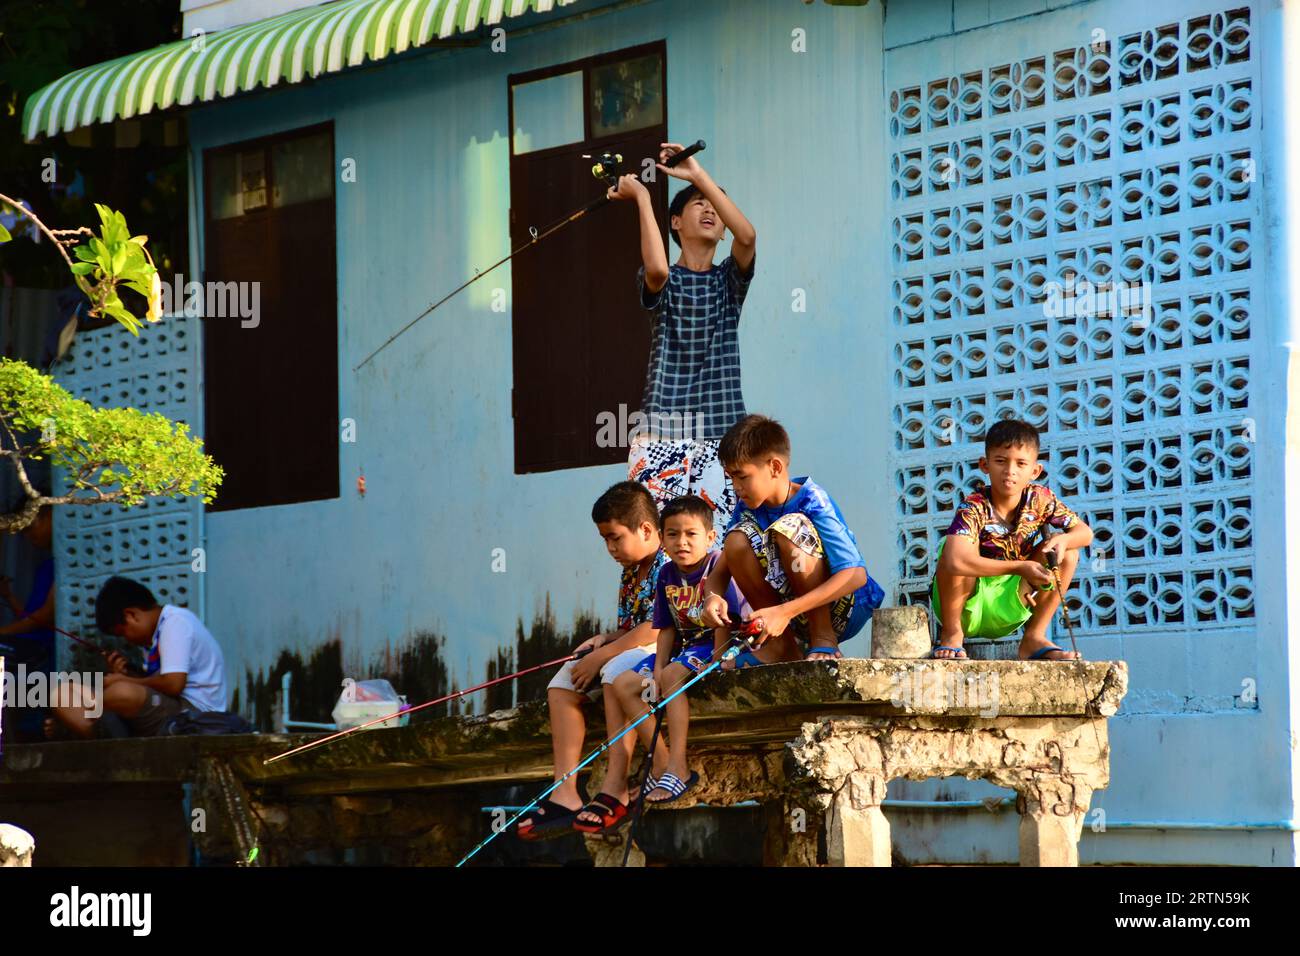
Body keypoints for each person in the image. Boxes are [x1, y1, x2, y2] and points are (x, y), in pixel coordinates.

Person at [608, 143, 757, 540]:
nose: (710, 209)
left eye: (716, 206)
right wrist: (642, 196)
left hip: (724, 433)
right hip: (662, 432)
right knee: (664, 545)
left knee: (723, 542)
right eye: (697, 204)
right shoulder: (664, 281)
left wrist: (697, 176)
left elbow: (748, 234)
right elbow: (657, 267)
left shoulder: (728, 281)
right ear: (674, 222)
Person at [517, 482, 669, 840]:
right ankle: (565, 792)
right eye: (604, 540)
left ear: (646, 529)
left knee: (614, 670)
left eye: (615, 537)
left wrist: (603, 655)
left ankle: (614, 785)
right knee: (562, 683)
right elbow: (631, 627)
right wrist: (604, 640)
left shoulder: (667, 563)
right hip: (633, 645)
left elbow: (656, 627)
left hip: (664, 650)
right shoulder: (631, 569)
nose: (610, 548)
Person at [605, 495, 757, 809]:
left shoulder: (717, 565)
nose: (681, 542)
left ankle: (679, 766)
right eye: (672, 534)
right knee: (624, 685)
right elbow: (666, 628)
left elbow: (726, 619)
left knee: (674, 674)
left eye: (691, 534)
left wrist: (718, 659)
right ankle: (660, 763)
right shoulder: (667, 575)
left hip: (720, 644)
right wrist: (657, 669)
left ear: (710, 538)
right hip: (683, 648)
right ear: (662, 538)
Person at [701, 415, 884, 660]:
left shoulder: (812, 500)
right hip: (788, 614)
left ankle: (824, 638)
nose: (736, 486)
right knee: (736, 540)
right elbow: (719, 574)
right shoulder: (746, 508)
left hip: (845, 607)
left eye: (742, 476)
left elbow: (855, 575)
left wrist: (784, 612)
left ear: (775, 467)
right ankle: (781, 645)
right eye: (731, 477)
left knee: (790, 528)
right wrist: (711, 599)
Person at [930, 419, 1094, 661]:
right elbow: (955, 563)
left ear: (1035, 471)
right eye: (1000, 461)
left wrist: (1062, 541)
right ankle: (952, 635)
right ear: (984, 465)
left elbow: (1085, 534)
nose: (1010, 471)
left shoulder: (1040, 499)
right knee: (953, 548)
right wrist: (1019, 566)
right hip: (965, 606)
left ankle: (1034, 637)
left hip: (1011, 603)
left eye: (1021, 463)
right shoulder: (974, 505)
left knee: (1068, 551)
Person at [50, 576, 229, 737]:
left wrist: (125, 681)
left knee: (121, 692)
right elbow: (155, 687)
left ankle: (96, 725)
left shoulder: (175, 623)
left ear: (131, 616)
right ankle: (106, 728)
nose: (126, 640)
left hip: (193, 714)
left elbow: (174, 684)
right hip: (165, 708)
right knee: (63, 693)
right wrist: (127, 677)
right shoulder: (153, 638)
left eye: (122, 633)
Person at [0, 503, 55, 742]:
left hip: (42, 651)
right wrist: (9, 595)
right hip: (29, 644)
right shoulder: (45, 566)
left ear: (50, 515)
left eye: (31, 526)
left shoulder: (61, 563)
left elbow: (42, 618)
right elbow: (29, 617)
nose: (29, 536)